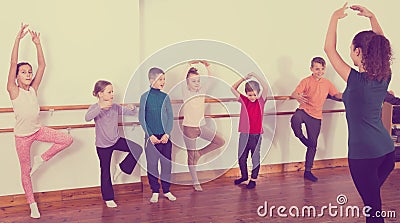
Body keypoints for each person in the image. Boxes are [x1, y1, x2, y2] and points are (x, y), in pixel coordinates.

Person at [324, 4, 395, 223]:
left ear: (357, 52)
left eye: (352, 48)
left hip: (364, 157)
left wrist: (334, 18)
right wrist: (372, 17)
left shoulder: (355, 80)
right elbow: (382, 47)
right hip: (387, 153)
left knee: (373, 209)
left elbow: (328, 49)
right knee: (372, 204)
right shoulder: (385, 76)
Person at [7, 23, 73, 219]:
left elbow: (43, 66)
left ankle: (41, 159)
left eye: (29, 72)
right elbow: (12, 64)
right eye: (24, 72)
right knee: (25, 171)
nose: (28, 74)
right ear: (17, 77)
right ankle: (32, 204)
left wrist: (37, 44)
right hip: (22, 138)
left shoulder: (33, 88)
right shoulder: (14, 90)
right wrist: (17, 40)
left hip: (37, 130)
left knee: (67, 139)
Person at [85, 80, 143, 208]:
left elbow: (130, 112)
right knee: (105, 171)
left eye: (112, 92)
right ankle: (108, 198)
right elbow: (87, 117)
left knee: (137, 149)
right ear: (100, 94)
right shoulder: (95, 108)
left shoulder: (115, 107)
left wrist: (132, 107)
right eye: (109, 92)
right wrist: (100, 108)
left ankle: (122, 167)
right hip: (102, 146)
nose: (112, 94)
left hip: (116, 140)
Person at [290, 57, 342, 182]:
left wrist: (350, 94)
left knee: (313, 145)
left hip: (316, 117)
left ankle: (308, 171)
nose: (320, 71)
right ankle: (301, 137)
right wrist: (297, 97)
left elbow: (336, 95)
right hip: (304, 111)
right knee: (295, 119)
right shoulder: (306, 81)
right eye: (317, 69)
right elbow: (294, 93)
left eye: (322, 69)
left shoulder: (327, 83)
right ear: (311, 69)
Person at [180, 61, 225, 191]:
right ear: (187, 82)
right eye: (193, 81)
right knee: (191, 157)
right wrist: (188, 64)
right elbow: (182, 79)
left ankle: (199, 153)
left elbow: (211, 79)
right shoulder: (185, 92)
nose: (197, 83)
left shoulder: (202, 91)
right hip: (189, 128)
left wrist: (207, 66)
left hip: (202, 127)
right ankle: (195, 181)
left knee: (220, 141)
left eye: (198, 81)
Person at [139, 67, 176, 203]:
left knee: (167, 165)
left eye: (164, 79)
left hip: (165, 137)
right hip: (152, 139)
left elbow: (170, 117)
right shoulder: (144, 97)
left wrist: (167, 133)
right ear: (151, 80)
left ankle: (166, 190)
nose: (163, 82)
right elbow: (142, 118)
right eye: (160, 79)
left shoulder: (165, 97)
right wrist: (150, 135)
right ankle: (155, 190)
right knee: (152, 165)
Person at [231, 72, 268, 189]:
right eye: (250, 95)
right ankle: (244, 176)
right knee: (242, 157)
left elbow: (266, 86)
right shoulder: (244, 100)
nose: (252, 97)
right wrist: (243, 79)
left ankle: (253, 179)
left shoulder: (261, 101)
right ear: (246, 94)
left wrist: (256, 76)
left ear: (258, 93)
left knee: (255, 157)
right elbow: (232, 88)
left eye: (254, 95)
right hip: (244, 134)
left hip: (255, 135)